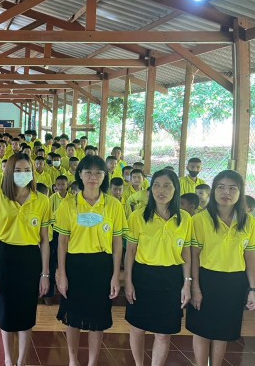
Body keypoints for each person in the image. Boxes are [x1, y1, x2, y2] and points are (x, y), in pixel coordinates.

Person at [54, 154, 126, 366]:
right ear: (80, 175)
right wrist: (61, 273)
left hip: (102, 267)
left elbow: (118, 244)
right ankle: (73, 359)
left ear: (105, 176)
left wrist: (116, 276)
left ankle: (92, 362)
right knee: (72, 318)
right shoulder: (68, 204)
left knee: (97, 320)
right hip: (75, 266)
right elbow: (62, 243)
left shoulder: (113, 205)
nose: (93, 177)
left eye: (98, 172)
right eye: (88, 172)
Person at [186, 170, 255, 366]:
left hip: (234, 283)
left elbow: (250, 257)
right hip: (207, 280)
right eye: (221, 187)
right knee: (202, 330)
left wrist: (252, 289)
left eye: (233, 188)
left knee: (223, 331)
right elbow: (194, 256)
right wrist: (195, 287)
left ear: (240, 192)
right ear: (213, 191)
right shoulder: (200, 220)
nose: (226, 192)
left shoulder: (249, 222)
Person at [124, 170, 192, 366]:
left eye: (167, 185)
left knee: (163, 333)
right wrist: (128, 281)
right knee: (137, 328)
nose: (161, 190)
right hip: (143, 276)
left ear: (175, 189)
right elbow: (130, 252)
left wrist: (187, 283)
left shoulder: (185, 218)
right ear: (150, 188)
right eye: (157, 185)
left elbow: (186, 253)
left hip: (172, 278)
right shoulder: (138, 216)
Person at [0, 153, 51, 366]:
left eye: (27, 170)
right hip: (5, 258)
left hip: (30, 259)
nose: (23, 174)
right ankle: (9, 359)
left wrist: (45, 274)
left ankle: (22, 360)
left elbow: (45, 241)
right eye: (17, 171)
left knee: (27, 312)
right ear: (9, 173)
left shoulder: (42, 200)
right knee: (6, 311)